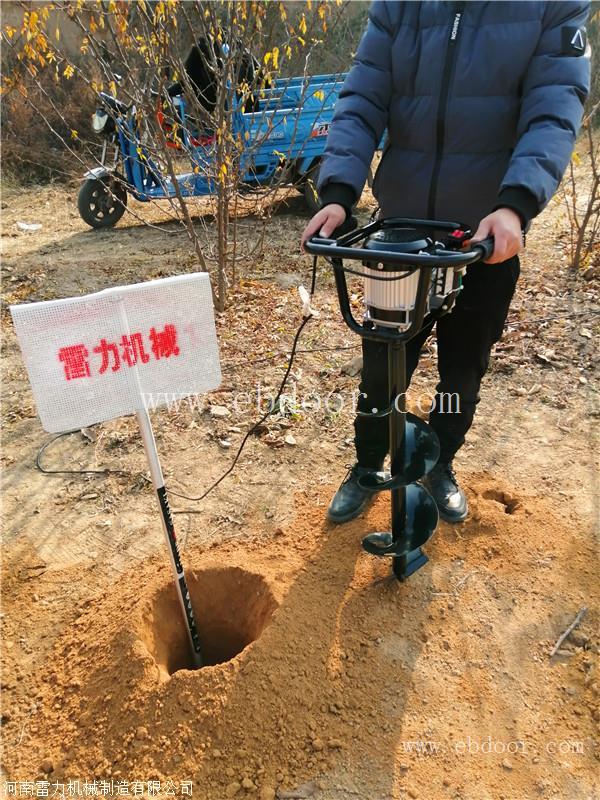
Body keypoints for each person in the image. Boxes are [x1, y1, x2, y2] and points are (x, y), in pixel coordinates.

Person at [302, 0, 590, 524]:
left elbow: (554, 106)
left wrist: (515, 204)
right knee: (381, 371)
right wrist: (339, 192)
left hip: (483, 237)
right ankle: (368, 464)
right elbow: (363, 98)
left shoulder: (549, 7)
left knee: (460, 373)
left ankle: (438, 462)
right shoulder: (400, 7)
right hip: (402, 238)